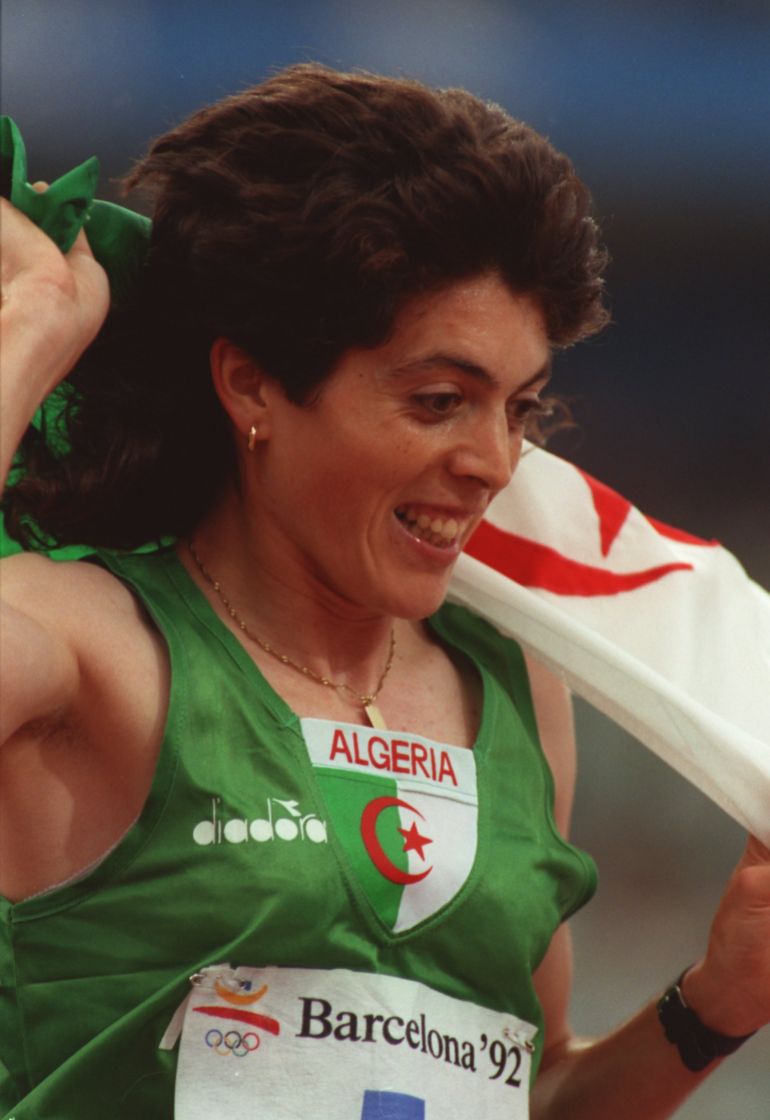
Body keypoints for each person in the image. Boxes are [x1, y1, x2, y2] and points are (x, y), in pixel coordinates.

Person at [0, 63, 768, 1120]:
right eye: (440, 400)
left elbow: (532, 1093)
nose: (493, 462)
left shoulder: (516, 688)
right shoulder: (86, 643)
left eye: (522, 410)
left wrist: (714, 1002)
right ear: (251, 384)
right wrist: (31, 332)